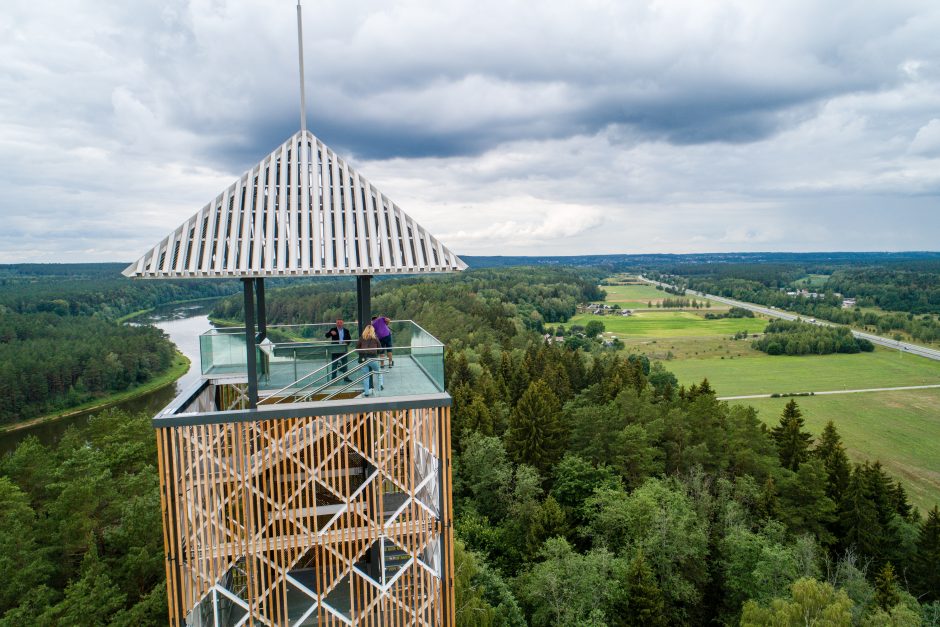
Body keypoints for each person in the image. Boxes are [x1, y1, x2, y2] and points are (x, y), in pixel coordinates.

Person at [356, 324, 384, 396]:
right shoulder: (375, 338)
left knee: (366, 376)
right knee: (379, 372)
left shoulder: (362, 338)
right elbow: (380, 349)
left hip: (364, 359)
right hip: (373, 358)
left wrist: (362, 351)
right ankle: (380, 387)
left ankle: (366, 393)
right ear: (373, 330)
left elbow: (357, 348)